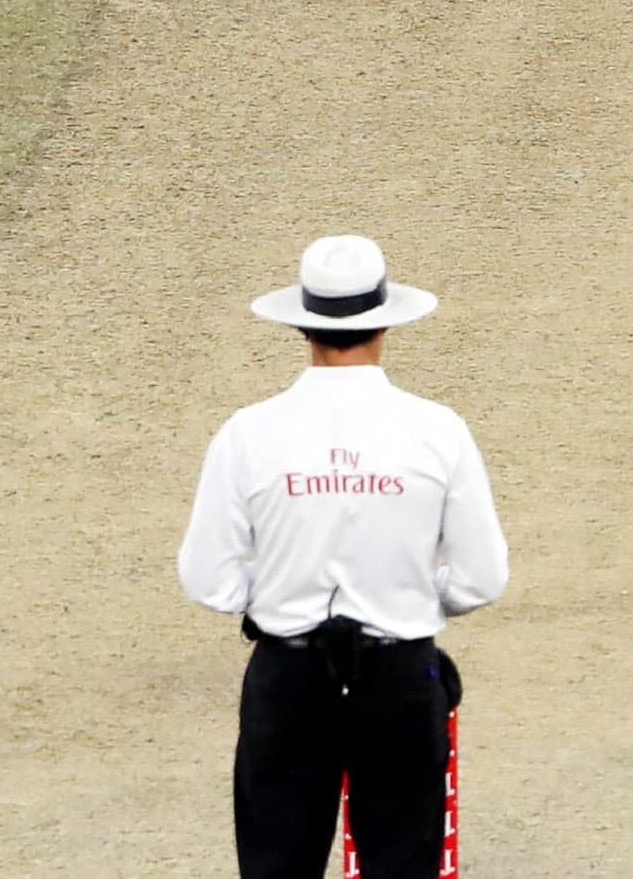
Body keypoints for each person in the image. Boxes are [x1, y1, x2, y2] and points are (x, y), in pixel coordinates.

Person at [180, 236, 507, 879]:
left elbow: (209, 579)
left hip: (289, 679)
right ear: (385, 321)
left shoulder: (248, 432)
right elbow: (481, 576)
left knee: (276, 865)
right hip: (401, 677)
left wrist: (276, 593)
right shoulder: (437, 429)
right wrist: (408, 597)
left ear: (301, 324)